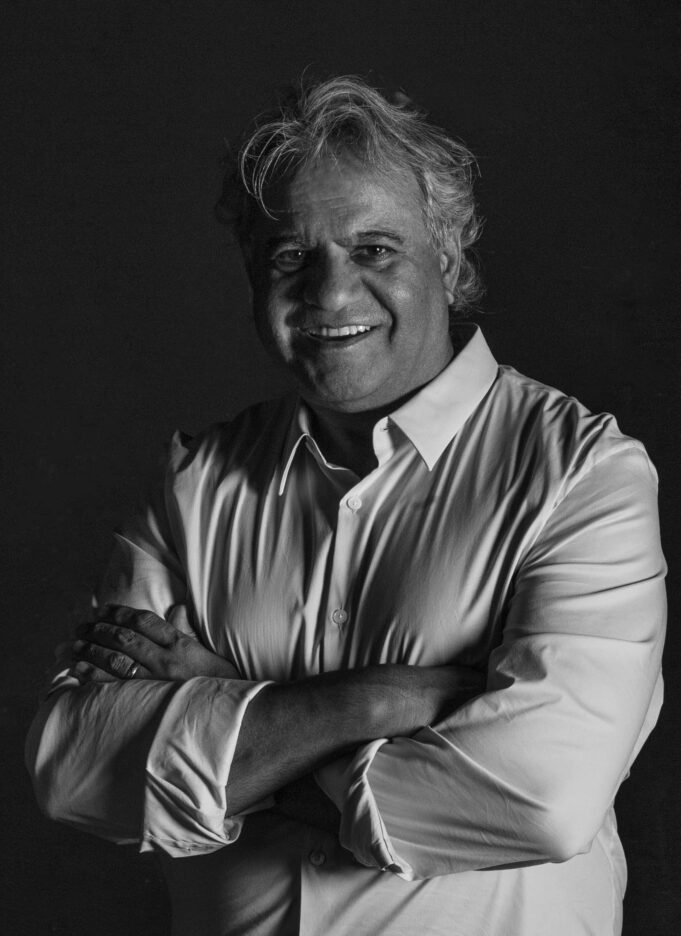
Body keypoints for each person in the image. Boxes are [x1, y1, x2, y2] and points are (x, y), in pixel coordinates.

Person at [26, 76, 666, 936]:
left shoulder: (582, 473)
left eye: (373, 250)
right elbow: (78, 770)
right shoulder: (194, 484)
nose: (329, 295)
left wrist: (230, 706)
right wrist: (371, 703)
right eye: (291, 257)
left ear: (448, 254)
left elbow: (539, 801)